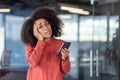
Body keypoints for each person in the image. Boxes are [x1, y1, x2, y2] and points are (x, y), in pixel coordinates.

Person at [21, 7, 71, 80]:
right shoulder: (30, 45)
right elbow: (32, 63)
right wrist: (40, 41)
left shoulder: (60, 43)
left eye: (47, 24)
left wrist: (65, 59)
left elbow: (66, 71)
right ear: (35, 31)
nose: (46, 28)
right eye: (40, 27)